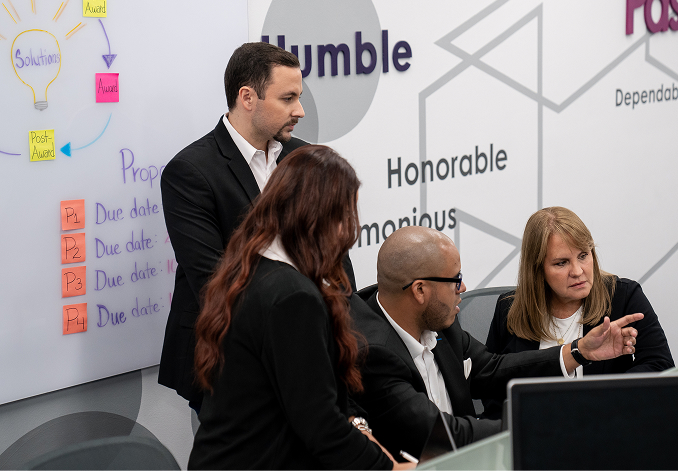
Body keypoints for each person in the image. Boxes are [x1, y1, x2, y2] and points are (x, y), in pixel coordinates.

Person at [158, 42, 356, 411]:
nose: (299, 111)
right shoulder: (191, 172)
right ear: (247, 97)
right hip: (232, 361)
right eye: (288, 98)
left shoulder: (303, 157)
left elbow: (334, 255)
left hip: (313, 346)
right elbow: (214, 282)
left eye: (299, 97)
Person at [188, 146, 406, 469]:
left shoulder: (254, 270)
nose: (348, 231)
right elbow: (321, 425)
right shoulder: (293, 297)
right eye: (344, 215)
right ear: (315, 216)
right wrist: (389, 469)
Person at [351, 226, 643, 460]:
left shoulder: (439, 322)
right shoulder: (372, 353)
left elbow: (490, 369)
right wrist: (549, 424)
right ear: (419, 291)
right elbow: (439, 432)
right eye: (455, 279)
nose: (463, 288)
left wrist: (578, 351)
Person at [484, 206, 675, 419]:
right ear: (537, 269)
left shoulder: (623, 297)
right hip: (534, 431)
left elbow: (661, 366)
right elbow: (492, 390)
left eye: (583, 255)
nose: (577, 271)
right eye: (562, 263)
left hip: (609, 424)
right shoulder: (509, 309)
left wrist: (604, 402)